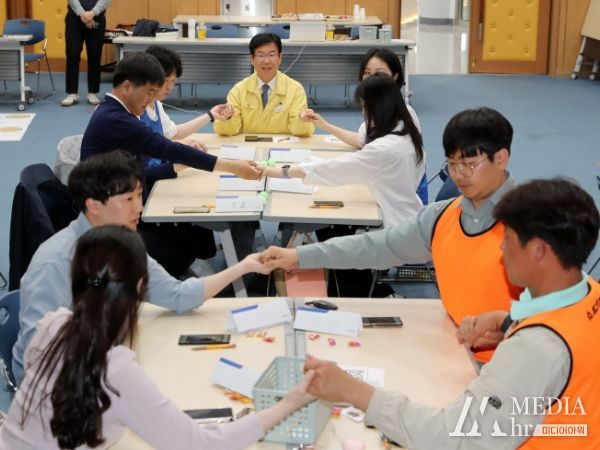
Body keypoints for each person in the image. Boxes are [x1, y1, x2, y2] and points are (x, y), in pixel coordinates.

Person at [302, 178, 600, 449]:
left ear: (538, 251)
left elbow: (456, 437)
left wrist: (354, 392)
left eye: (508, 239)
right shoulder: (589, 290)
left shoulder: (535, 349)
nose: (501, 248)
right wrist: (507, 321)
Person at [0, 225, 316, 449]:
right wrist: (290, 403)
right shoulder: (115, 369)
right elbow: (199, 444)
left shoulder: (52, 324)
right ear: (141, 287)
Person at [260, 107, 523, 362]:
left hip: (513, 362)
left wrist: (509, 327)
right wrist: (298, 255)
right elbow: (376, 247)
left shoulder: (530, 224)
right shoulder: (442, 216)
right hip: (455, 348)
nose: (459, 175)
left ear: (501, 159)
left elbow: (548, 310)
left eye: (469, 165)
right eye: (452, 164)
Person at [11, 151, 268, 386]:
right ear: (94, 205)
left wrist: (243, 267)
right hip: (57, 382)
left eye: (139, 195)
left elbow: (176, 295)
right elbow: (39, 356)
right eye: (128, 199)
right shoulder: (55, 263)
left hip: (107, 351)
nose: (140, 207)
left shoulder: (122, 241)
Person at [262, 73, 425, 228]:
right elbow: (360, 141)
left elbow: (332, 169)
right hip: (409, 214)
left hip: (393, 225)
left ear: (380, 107)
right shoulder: (406, 122)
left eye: (364, 106)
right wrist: (325, 125)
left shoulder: (382, 150)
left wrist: (273, 171)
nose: (363, 112)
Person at [80, 51, 260, 180]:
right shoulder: (117, 120)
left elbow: (159, 149)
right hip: (109, 204)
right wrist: (232, 166)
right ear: (126, 87)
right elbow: (166, 149)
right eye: (149, 92)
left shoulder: (114, 112)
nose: (151, 99)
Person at [140, 45, 234, 191]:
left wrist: (210, 115)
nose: (169, 87)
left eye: (173, 81)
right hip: (146, 185)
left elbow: (173, 133)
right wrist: (183, 158)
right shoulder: (136, 111)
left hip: (158, 176)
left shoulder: (156, 104)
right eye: (166, 81)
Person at [299, 47, 406, 149]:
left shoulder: (398, 115)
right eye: (367, 73)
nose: (372, 79)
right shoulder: (383, 108)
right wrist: (324, 125)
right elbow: (361, 140)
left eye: (379, 73)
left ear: (395, 76)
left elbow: (375, 152)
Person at [213, 33, 314, 137]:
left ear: (280, 58)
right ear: (252, 59)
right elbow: (226, 131)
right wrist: (227, 118)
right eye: (261, 55)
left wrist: (302, 119)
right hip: (249, 145)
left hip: (281, 145)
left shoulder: (295, 89)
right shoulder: (239, 90)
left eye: (271, 55)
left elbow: (301, 132)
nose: (266, 61)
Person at [62, 0, 111, 107]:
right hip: (74, 18)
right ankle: (72, 93)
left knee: (95, 55)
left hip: (97, 17)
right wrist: (83, 14)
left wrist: (92, 13)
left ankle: (92, 92)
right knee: (72, 54)